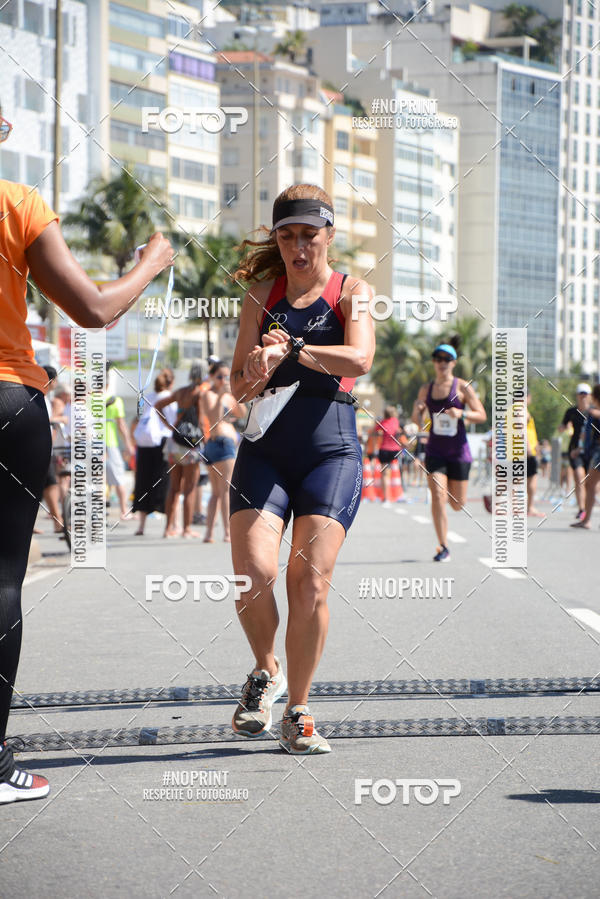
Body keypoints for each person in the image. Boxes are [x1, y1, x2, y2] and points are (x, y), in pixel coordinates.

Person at [0, 106, 173, 802]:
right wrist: (150, 264)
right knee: (4, 576)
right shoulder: (17, 203)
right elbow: (95, 310)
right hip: (9, 397)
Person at [227, 183, 375, 754]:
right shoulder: (260, 296)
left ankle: (300, 709)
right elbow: (239, 387)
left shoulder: (350, 291)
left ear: (329, 237)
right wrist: (259, 366)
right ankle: (265, 672)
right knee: (252, 571)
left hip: (329, 451)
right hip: (265, 447)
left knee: (308, 579)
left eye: (308, 237)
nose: (297, 248)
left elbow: (359, 359)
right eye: (286, 237)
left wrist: (292, 351)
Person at [412, 337, 486, 561]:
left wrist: (461, 413)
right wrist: (417, 410)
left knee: (456, 504)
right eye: (438, 359)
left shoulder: (463, 387)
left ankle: (447, 530)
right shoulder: (426, 389)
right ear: (434, 362)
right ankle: (443, 546)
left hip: (459, 452)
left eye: (446, 359)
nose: (442, 363)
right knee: (437, 494)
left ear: (453, 362)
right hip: (435, 451)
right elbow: (417, 421)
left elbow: (481, 415)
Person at [155, 361, 205, 538]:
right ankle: (186, 528)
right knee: (190, 489)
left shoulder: (180, 392)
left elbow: (158, 405)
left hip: (175, 442)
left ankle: (168, 528)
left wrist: (169, 425)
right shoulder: (200, 393)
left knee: (174, 487)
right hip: (190, 445)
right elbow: (201, 419)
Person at [199, 361, 245, 543]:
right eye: (220, 377)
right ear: (212, 377)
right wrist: (220, 396)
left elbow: (242, 412)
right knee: (223, 491)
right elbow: (214, 419)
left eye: (226, 376)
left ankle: (210, 533)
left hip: (221, 443)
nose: (223, 380)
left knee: (219, 492)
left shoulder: (227, 396)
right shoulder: (208, 394)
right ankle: (226, 532)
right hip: (219, 443)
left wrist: (233, 394)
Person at [132, 367, 176, 535]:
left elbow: (137, 418)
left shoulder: (148, 397)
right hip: (164, 441)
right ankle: (170, 526)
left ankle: (141, 526)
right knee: (166, 483)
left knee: (143, 481)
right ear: (171, 382)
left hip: (144, 443)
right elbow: (174, 421)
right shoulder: (170, 398)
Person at [560, 383, 592, 521]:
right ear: (577, 396)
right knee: (579, 477)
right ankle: (582, 509)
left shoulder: (595, 411)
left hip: (591, 450)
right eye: (581, 394)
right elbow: (562, 426)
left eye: (585, 394)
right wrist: (563, 427)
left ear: (590, 396)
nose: (583, 396)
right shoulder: (571, 412)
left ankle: (587, 507)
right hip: (575, 450)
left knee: (591, 483)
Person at [570, 383, 600, 529]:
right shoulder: (591, 413)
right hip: (594, 452)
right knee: (590, 484)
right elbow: (585, 434)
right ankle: (586, 519)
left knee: (590, 485)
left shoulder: (594, 412)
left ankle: (586, 520)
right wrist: (580, 448)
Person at [105, 374, 135, 520]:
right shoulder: (115, 401)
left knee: (97, 478)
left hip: (91, 442)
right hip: (109, 442)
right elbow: (122, 425)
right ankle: (124, 510)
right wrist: (129, 444)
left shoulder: (88, 400)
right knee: (118, 477)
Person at [370, 405, 403, 505]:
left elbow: (374, 432)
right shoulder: (396, 422)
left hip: (384, 450)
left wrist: (378, 438)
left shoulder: (382, 423)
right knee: (397, 472)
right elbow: (399, 432)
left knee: (384, 475)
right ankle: (397, 494)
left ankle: (386, 498)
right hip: (396, 450)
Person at [526, 391, 544, 517]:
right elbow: (521, 429)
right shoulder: (521, 410)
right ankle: (529, 508)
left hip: (524, 450)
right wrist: (528, 448)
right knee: (531, 479)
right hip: (526, 451)